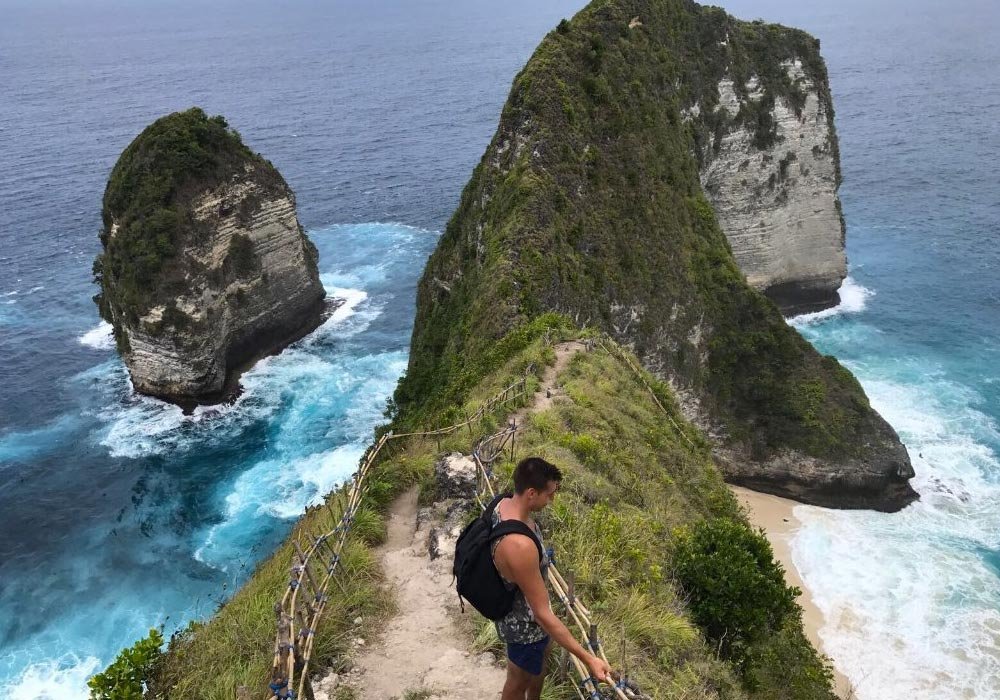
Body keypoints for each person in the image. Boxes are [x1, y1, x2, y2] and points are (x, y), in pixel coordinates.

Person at [491, 456, 613, 700]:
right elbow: (542, 614)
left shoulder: (503, 504)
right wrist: (589, 659)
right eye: (550, 494)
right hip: (523, 628)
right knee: (517, 682)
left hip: (525, 616)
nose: (552, 500)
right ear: (532, 493)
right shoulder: (518, 546)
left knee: (535, 670)